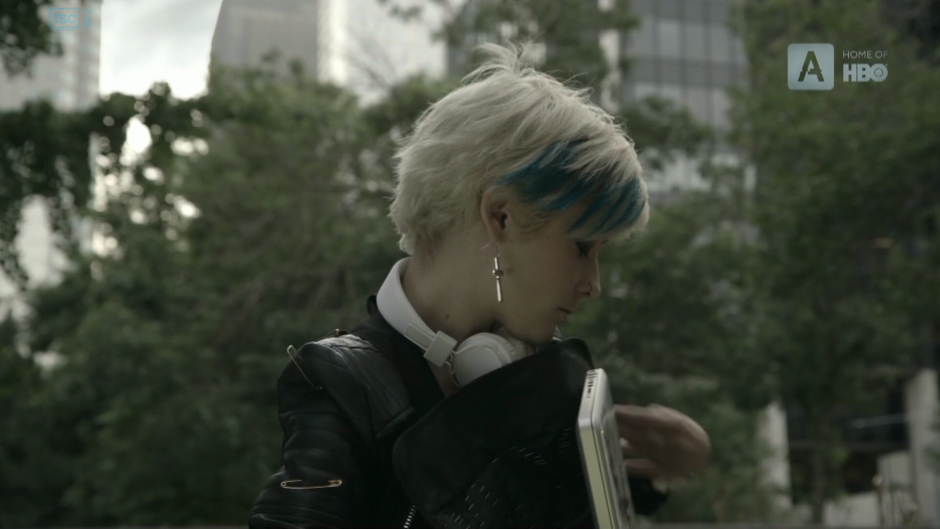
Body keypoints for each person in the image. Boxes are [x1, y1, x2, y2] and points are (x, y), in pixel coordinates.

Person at [248, 42, 711, 529]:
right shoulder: (341, 384)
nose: (593, 285)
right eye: (582, 247)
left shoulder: (540, 374)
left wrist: (660, 470)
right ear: (501, 216)